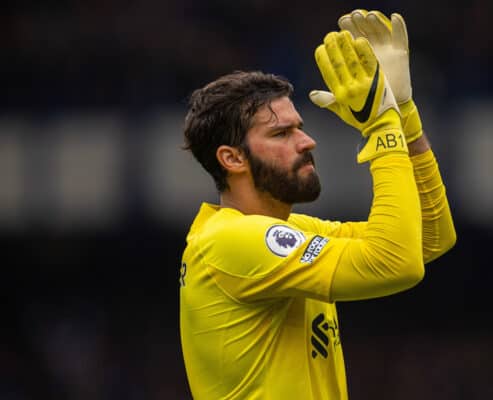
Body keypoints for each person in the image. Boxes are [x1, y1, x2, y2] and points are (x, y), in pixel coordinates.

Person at [179, 9, 456, 399]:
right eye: (281, 133)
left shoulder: (284, 233)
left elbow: (429, 239)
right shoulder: (230, 242)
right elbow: (396, 263)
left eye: (300, 128)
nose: (306, 142)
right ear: (233, 159)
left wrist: (404, 116)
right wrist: (380, 124)